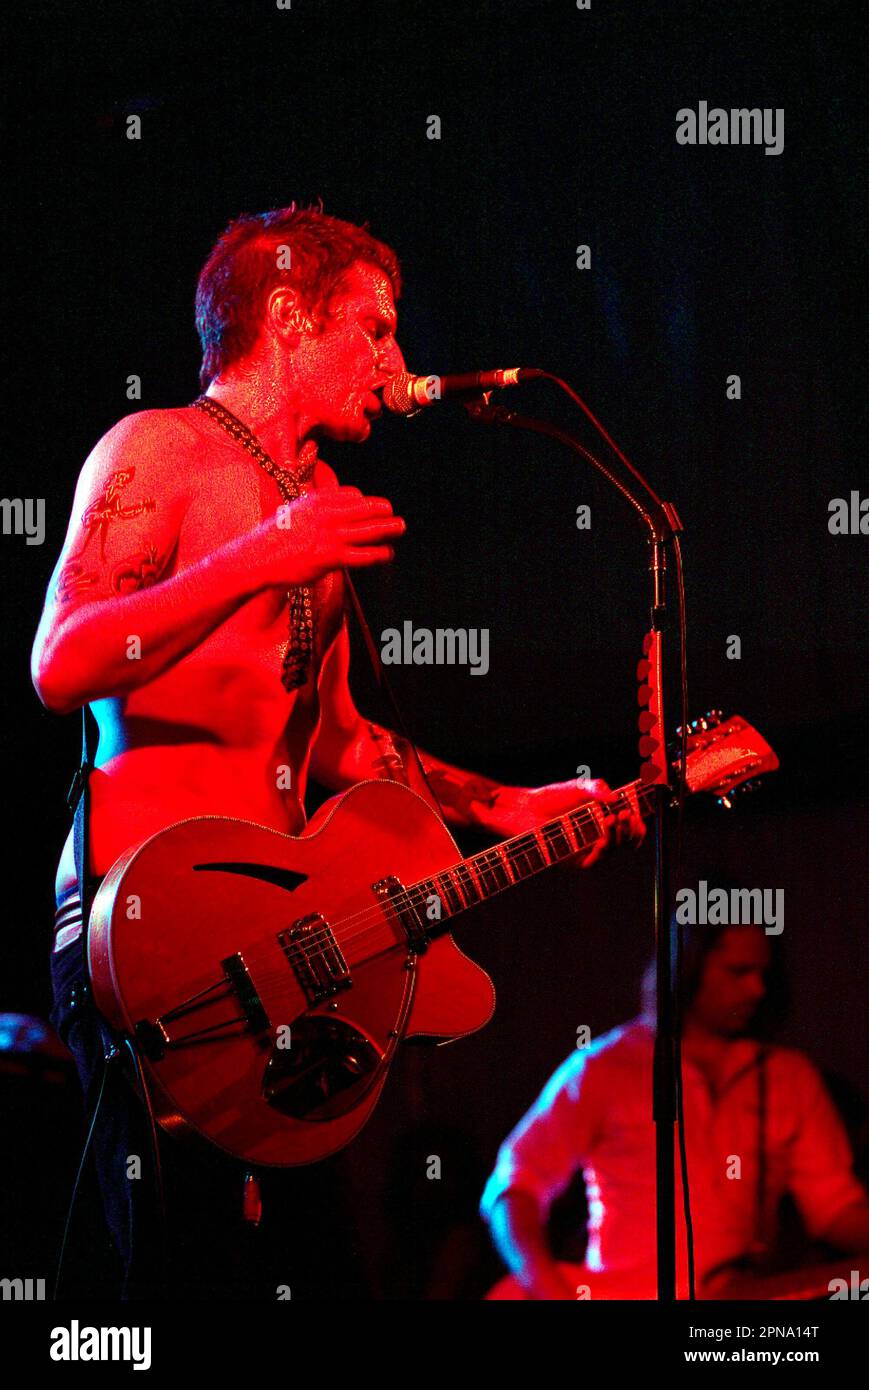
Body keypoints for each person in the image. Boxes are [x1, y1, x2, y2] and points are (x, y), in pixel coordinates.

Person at [31, 203, 643, 1298]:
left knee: (314, 1270)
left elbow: (344, 743)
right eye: (375, 329)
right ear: (285, 317)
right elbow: (63, 660)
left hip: (280, 962)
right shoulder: (156, 450)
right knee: (179, 1276)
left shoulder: (316, 507)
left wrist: (508, 805)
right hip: (149, 935)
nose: (396, 365)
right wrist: (262, 555)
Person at [481, 918, 869, 1299]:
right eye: (739, 972)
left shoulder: (789, 1076)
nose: (757, 989)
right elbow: (513, 1186)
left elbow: (834, 1208)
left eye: (763, 973)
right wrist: (548, 1291)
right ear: (686, 964)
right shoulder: (603, 1067)